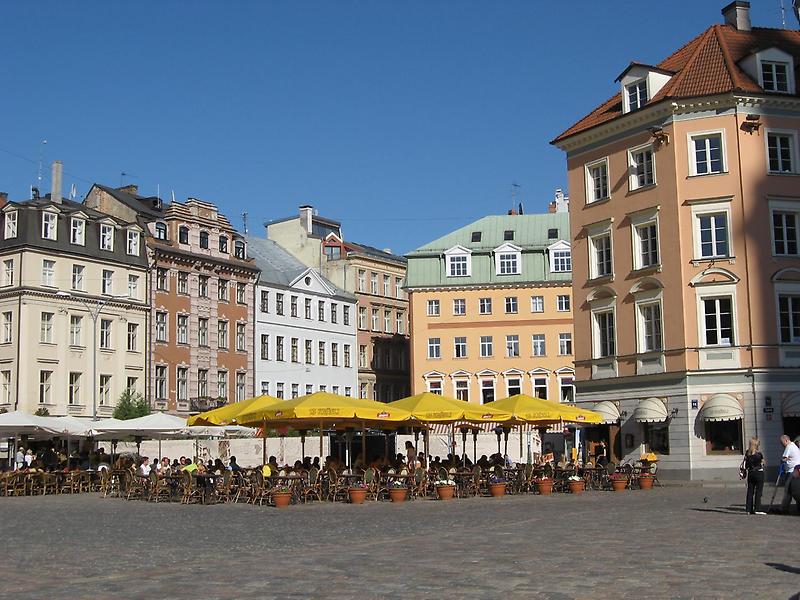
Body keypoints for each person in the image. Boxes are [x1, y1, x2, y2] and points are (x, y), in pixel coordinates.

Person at [743, 437, 766, 515]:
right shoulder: (759, 454)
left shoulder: (747, 453)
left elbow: (746, 464)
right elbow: (762, 464)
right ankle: (757, 508)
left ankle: (748, 509)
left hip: (750, 473)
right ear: (756, 445)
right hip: (759, 473)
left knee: (750, 491)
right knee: (758, 492)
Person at [780, 435, 800, 513]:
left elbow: (784, 458)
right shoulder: (794, 446)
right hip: (797, 470)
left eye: (782, 443)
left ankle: (784, 508)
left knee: (788, 490)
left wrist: (783, 460)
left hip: (791, 471)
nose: (782, 445)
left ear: (786, 440)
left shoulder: (789, 446)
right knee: (795, 490)